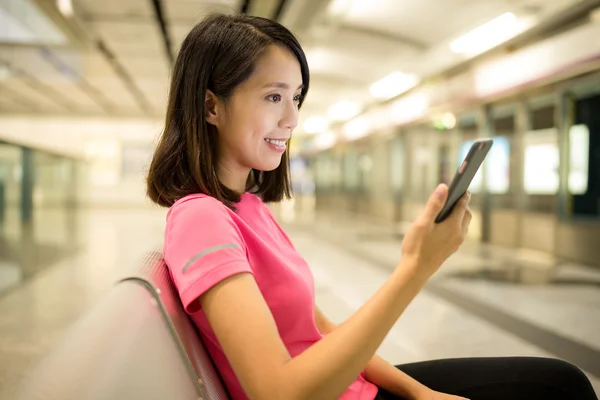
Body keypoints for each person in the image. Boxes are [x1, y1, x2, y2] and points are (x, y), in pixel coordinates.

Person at [146, 13, 598, 400]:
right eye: (273, 96)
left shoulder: (247, 207)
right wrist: (416, 267)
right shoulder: (199, 218)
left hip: (357, 389)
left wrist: (419, 392)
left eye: (296, 97)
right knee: (558, 388)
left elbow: (321, 331)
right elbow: (278, 393)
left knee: (559, 382)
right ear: (210, 106)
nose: (292, 118)